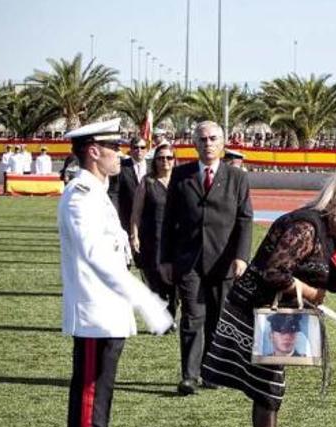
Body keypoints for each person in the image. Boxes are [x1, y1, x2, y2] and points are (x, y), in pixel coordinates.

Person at [201, 167, 336, 427]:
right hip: (257, 312)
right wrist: (311, 294)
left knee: (270, 392)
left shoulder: (324, 229)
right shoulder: (305, 227)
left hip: (273, 314)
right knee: (267, 391)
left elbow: (330, 278)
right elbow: (274, 272)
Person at [58, 118, 172, 427]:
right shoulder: (80, 195)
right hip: (95, 317)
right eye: (114, 147)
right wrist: (147, 301)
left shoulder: (96, 193)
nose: (121, 154)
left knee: (100, 402)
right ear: (94, 151)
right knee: (90, 403)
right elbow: (98, 258)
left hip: (109, 316)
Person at [160, 120, 254, 396]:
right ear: (194, 144)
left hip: (223, 260)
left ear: (223, 143)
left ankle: (212, 371)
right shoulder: (181, 175)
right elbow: (168, 220)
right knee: (192, 316)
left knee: (217, 317)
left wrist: (241, 256)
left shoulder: (237, 178)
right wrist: (165, 259)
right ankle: (189, 376)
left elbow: (245, 220)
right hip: (188, 260)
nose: (208, 143)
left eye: (213, 138)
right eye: (202, 139)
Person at [130, 141, 177, 324]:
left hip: (175, 240)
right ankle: (161, 317)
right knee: (155, 280)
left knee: (173, 281)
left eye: (169, 158)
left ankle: (171, 314)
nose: (165, 161)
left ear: (174, 160)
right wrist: (134, 235)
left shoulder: (182, 180)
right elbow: (136, 212)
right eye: (160, 158)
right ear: (155, 161)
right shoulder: (147, 182)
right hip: (152, 239)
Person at [109, 137, 147, 233]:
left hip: (149, 219)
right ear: (130, 149)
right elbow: (114, 193)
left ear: (147, 149)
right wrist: (115, 216)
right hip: (127, 218)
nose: (139, 151)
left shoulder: (153, 166)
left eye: (142, 147)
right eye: (136, 147)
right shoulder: (121, 167)